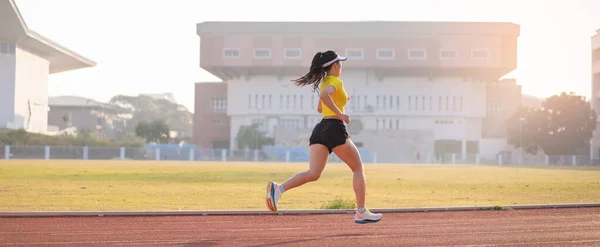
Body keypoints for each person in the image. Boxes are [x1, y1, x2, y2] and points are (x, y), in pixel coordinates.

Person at [265, 50, 382, 224]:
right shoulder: (335, 81)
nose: (341, 65)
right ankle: (361, 212)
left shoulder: (325, 82)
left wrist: (340, 102)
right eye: (340, 63)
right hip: (334, 128)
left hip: (320, 129)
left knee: (313, 173)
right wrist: (341, 114)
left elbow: (320, 108)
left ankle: (278, 189)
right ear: (335, 65)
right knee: (358, 168)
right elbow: (324, 96)